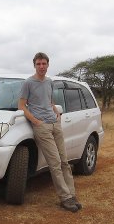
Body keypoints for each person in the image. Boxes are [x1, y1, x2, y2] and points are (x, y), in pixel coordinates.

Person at [18, 52, 82, 212]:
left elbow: (49, 100)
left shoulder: (49, 82)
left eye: (44, 63)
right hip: (42, 127)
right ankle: (65, 198)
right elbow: (22, 106)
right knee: (55, 163)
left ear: (48, 65)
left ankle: (72, 195)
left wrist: (56, 111)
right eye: (38, 64)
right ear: (34, 65)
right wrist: (36, 122)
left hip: (55, 124)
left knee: (64, 162)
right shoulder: (28, 83)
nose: (41, 66)